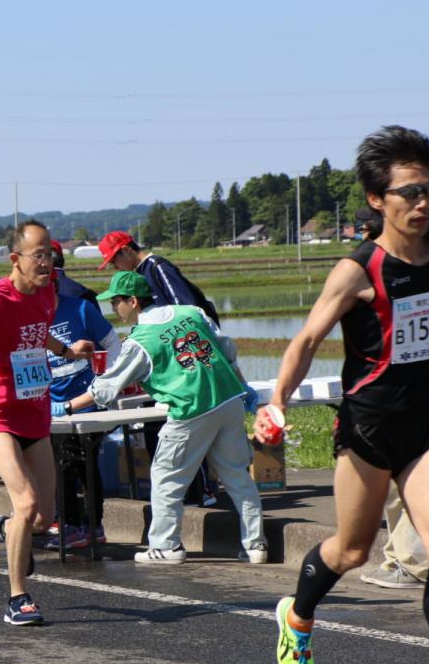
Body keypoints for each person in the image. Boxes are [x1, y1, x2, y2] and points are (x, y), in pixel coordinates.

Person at [260, 125, 429, 664]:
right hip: (365, 431)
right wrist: (277, 402)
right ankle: (298, 615)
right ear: (376, 198)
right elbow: (307, 339)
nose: (422, 203)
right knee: (352, 550)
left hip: (423, 425)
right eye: (409, 192)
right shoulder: (359, 269)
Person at [0, 219, 94, 625]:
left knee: (44, 518)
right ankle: (18, 598)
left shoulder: (47, 292)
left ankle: (11, 527)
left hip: (34, 409)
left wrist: (66, 351)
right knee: (27, 501)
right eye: (39, 255)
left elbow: (38, 331)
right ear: (16, 259)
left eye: (51, 254)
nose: (47, 262)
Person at [81, 270, 265, 564]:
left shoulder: (140, 341)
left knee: (167, 478)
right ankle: (256, 545)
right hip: (229, 400)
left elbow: (106, 389)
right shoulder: (190, 312)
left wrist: (67, 407)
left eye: (116, 302)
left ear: (133, 301)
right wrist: (244, 388)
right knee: (236, 474)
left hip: (192, 410)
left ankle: (167, 546)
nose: (113, 309)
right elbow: (227, 350)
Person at [99, 230, 221, 507]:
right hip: (173, 363)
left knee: (188, 428)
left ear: (126, 251)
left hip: (187, 363)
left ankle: (202, 491)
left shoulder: (157, 268)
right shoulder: (144, 274)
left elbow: (188, 311)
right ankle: (194, 492)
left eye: (114, 261)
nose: (116, 267)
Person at [44, 270, 121, 550]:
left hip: (85, 402)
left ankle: (93, 525)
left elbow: (112, 343)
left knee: (86, 464)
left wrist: (107, 381)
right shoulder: (30, 317)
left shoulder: (80, 308)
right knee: (60, 465)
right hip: (51, 405)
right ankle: (70, 526)